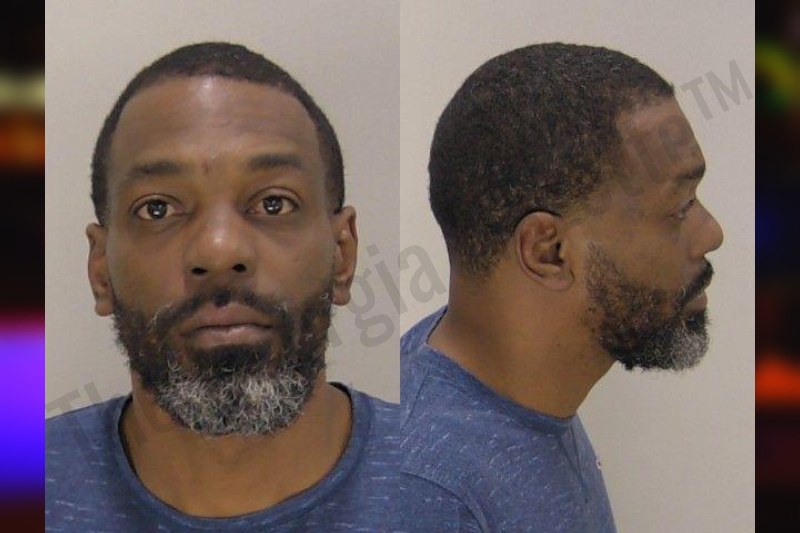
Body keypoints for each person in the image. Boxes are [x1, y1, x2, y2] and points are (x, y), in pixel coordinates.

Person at [45, 42, 399, 532]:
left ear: (343, 255)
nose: (218, 251)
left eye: (274, 203)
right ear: (101, 270)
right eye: (157, 209)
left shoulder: (449, 483)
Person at [398, 43, 724, 532]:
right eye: (679, 208)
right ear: (548, 252)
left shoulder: (523, 390)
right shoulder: (429, 498)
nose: (711, 233)